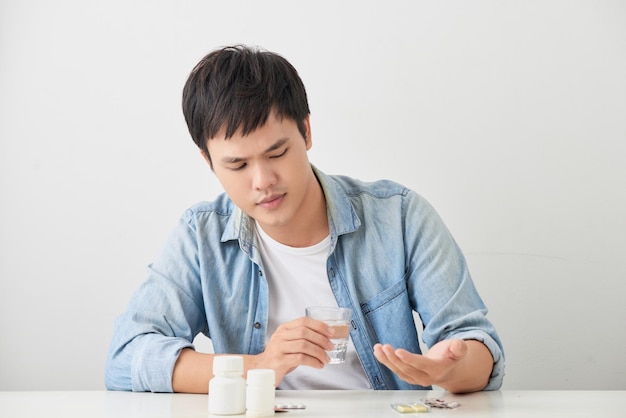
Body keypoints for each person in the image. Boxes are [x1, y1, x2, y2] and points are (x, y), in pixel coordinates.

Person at [105, 44, 504, 394]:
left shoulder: (399, 217)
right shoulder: (201, 235)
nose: (263, 182)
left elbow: (477, 347)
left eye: (277, 153)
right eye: (238, 164)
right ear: (209, 162)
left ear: (307, 132)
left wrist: (446, 369)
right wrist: (259, 367)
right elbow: (126, 358)